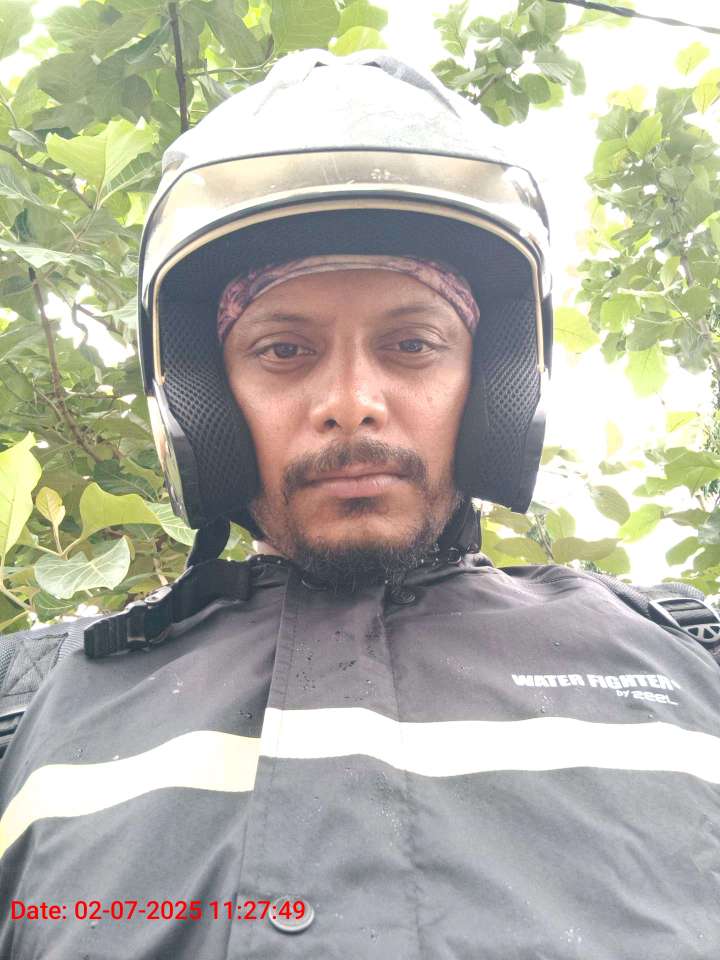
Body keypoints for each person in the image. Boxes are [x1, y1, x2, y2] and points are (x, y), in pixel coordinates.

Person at [0, 49, 719, 960]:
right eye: (283, 351)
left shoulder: (689, 656)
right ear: (203, 402)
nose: (352, 402)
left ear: (492, 388)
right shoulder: (33, 701)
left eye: (413, 344)